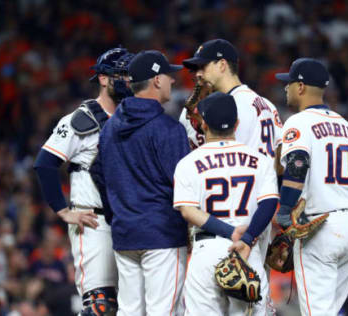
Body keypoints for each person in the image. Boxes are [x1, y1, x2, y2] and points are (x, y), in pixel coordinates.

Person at [182, 39, 283, 311]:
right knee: (254, 304)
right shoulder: (268, 106)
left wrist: (195, 136)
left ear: (223, 64)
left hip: (232, 224)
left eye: (203, 67)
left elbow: (228, 164)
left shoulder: (234, 107)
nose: (197, 74)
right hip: (258, 219)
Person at [33, 47, 135, 315]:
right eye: (121, 74)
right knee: (100, 305)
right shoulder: (82, 119)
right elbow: (45, 163)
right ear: (103, 78)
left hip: (131, 221)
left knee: (134, 305)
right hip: (94, 222)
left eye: (130, 74)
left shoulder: (135, 118)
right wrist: (63, 211)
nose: (128, 80)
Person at [274, 58, 348, 316]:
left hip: (320, 229)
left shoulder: (299, 121)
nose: (285, 88)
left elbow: (298, 164)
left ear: (300, 87)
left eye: (288, 83)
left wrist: (285, 211)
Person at [97, 50, 190, 316]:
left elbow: (100, 176)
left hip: (125, 233)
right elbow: (184, 188)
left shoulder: (110, 127)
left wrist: (118, 217)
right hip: (162, 234)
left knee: (129, 312)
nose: (173, 81)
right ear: (156, 80)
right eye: (168, 76)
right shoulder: (168, 129)